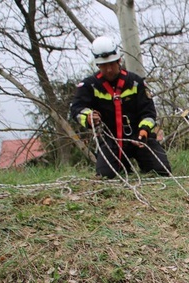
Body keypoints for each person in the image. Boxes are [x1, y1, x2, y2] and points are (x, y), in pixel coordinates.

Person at [70, 36, 172, 179]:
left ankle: (141, 162)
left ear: (119, 60)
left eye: (112, 64)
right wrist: (88, 117)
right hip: (110, 140)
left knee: (162, 171)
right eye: (104, 66)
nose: (109, 69)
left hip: (139, 137)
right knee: (105, 177)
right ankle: (123, 166)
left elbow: (148, 113)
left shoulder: (135, 82)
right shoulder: (89, 86)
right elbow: (76, 109)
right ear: (97, 65)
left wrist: (144, 131)